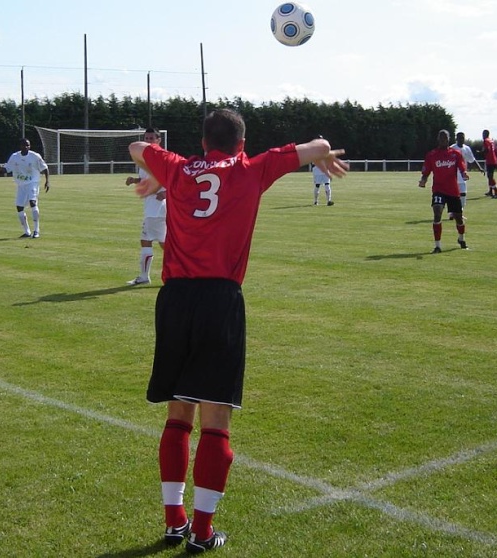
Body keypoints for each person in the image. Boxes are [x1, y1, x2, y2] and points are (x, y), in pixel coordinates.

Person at [128, 108, 348, 554]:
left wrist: (161, 174)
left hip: (173, 301)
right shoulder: (251, 168)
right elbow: (321, 144)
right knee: (216, 419)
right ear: (241, 143)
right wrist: (320, 157)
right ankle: (203, 532)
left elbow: (136, 148)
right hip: (218, 300)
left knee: (178, 413)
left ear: (204, 141)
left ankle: (175, 522)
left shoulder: (180, 168)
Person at [125, 128, 167, 285]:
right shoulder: (145, 159)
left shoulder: (161, 157)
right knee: (164, 244)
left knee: (146, 240)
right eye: (146, 138)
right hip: (153, 206)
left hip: (156, 207)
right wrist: (134, 180)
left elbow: (172, 178)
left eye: (151, 138)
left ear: (158, 140)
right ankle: (184, 271)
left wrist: (166, 193)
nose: (148, 140)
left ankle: (144, 277)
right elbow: (148, 180)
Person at [418, 129, 469, 253]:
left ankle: (461, 239)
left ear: (448, 139)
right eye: (441, 138)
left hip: (452, 190)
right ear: (438, 139)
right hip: (438, 189)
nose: (443, 140)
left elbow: (462, 167)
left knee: (458, 218)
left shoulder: (455, 154)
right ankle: (437, 246)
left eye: (445, 138)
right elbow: (426, 171)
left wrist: (464, 174)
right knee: (437, 213)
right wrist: (423, 180)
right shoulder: (432, 155)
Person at [3, 138, 50, 238]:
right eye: (24, 145)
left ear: (30, 146)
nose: (26, 147)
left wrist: (47, 181)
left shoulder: (35, 156)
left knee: (33, 202)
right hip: (21, 185)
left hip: (33, 182)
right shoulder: (15, 157)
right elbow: (7, 168)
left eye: (28, 145)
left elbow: (45, 168)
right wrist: (0, 168)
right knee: (19, 207)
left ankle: (36, 230)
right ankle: (27, 232)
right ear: (20, 146)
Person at [449, 132, 484, 218]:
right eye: (460, 138)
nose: (461, 139)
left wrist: (480, 168)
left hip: (462, 175)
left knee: (463, 194)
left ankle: (459, 212)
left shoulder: (467, 149)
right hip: (452, 176)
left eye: (463, 138)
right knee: (453, 196)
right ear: (456, 138)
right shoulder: (452, 148)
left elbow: (472, 160)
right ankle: (452, 213)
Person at [481, 129, 497, 198]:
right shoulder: (492, 141)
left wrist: (482, 152)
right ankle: (490, 191)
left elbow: (487, 150)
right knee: (489, 176)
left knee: (490, 176)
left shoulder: (485, 141)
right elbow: (496, 151)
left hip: (490, 161)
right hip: (494, 160)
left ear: (485, 134)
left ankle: (496, 193)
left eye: (483, 134)